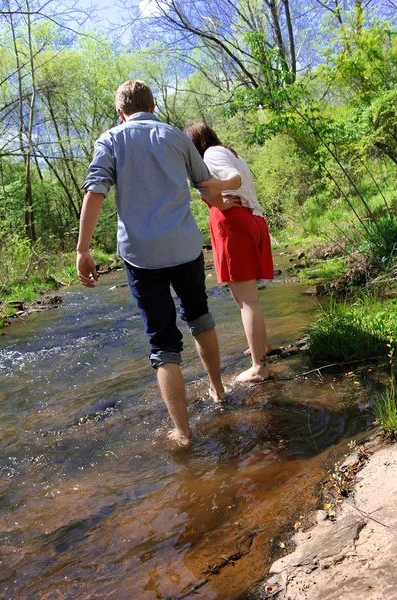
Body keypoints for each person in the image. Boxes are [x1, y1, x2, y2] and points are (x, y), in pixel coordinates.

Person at [77, 81, 239, 447]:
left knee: (162, 343)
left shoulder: (110, 139)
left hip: (140, 255)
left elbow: (95, 191)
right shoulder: (176, 137)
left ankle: (183, 432)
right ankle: (218, 390)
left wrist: (82, 250)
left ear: (121, 112)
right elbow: (207, 188)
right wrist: (232, 188)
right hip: (184, 247)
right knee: (200, 317)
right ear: (153, 105)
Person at [184, 122, 274, 383]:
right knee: (246, 297)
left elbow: (231, 179)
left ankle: (259, 367)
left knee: (246, 300)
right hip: (249, 219)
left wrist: (219, 189)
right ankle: (263, 346)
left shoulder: (211, 154)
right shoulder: (229, 151)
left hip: (234, 223)